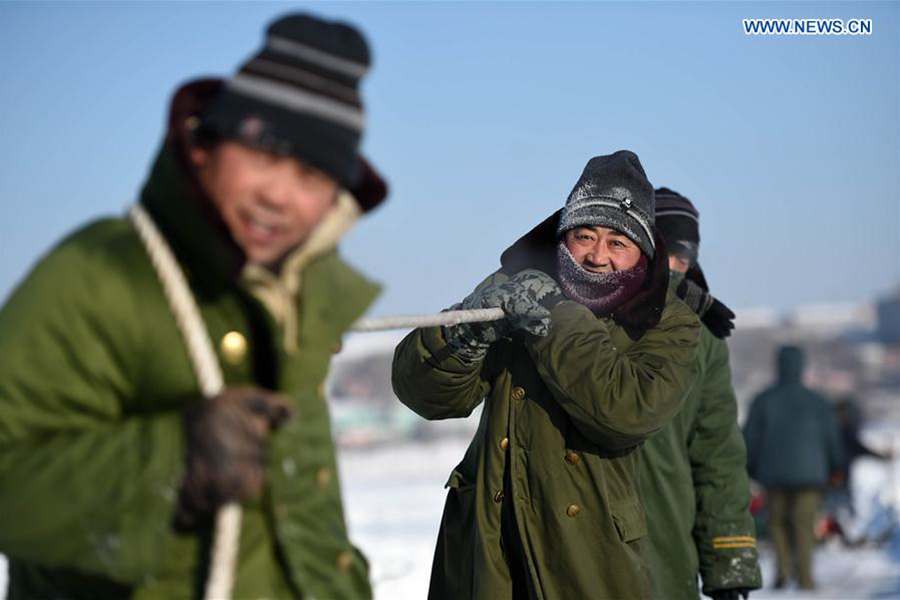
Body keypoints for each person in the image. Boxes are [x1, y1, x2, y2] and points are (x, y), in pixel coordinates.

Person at [0, 13, 387, 600]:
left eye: (310, 175)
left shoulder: (301, 300)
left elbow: (309, 519)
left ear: (334, 199)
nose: (278, 195)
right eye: (262, 152)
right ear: (204, 145)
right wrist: (171, 461)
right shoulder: (99, 274)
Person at [392, 151, 700, 599]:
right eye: (585, 235)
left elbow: (626, 413)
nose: (597, 256)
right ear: (563, 235)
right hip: (490, 544)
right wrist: (464, 333)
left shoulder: (669, 322)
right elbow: (423, 394)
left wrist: (552, 319)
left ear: (643, 252)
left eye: (617, 242)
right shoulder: (514, 283)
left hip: (590, 554)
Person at [638, 188, 762, 600]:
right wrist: (730, 563)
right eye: (666, 255)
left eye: (683, 260)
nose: (674, 269)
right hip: (656, 557)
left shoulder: (705, 333)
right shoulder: (701, 327)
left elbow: (718, 454)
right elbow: (719, 456)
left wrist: (731, 562)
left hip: (661, 553)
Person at [743, 346, 844, 590]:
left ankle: (783, 571)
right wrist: (835, 468)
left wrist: (751, 468)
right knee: (804, 522)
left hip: (773, 475)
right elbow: (831, 438)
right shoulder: (818, 401)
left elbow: (750, 439)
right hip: (811, 476)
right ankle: (806, 577)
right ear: (801, 367)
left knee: (776, 522)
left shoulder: (763, 400)